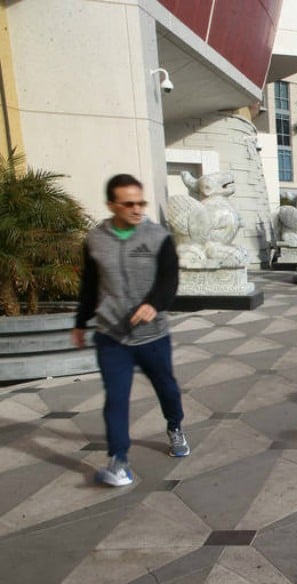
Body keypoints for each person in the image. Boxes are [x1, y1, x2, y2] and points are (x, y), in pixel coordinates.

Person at [72, 174, 189, 487]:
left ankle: (175, 426)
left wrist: (154, 303)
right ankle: (118, 460)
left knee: (167, 388)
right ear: (112, 205)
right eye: (129, 204)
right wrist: (80, 322)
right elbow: (90, 285)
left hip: (153, 336)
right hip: (112, 336)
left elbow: (169, 279)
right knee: (116, 398)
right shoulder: (95, 240)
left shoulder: (157, 236)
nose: (137, 209)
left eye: (141, 202)